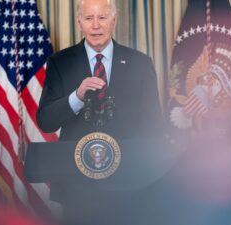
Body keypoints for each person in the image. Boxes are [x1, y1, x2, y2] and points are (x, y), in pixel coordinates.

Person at [37, 0, 162, 224]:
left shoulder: (140, 63)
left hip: (128, 185)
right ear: (79, 23)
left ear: (113, 20)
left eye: (102, 17)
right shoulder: (60, 62)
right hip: (76, 186)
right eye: (88, 18)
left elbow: (154, 126)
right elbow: (46, 121)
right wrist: (77, 96)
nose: (96, 25)